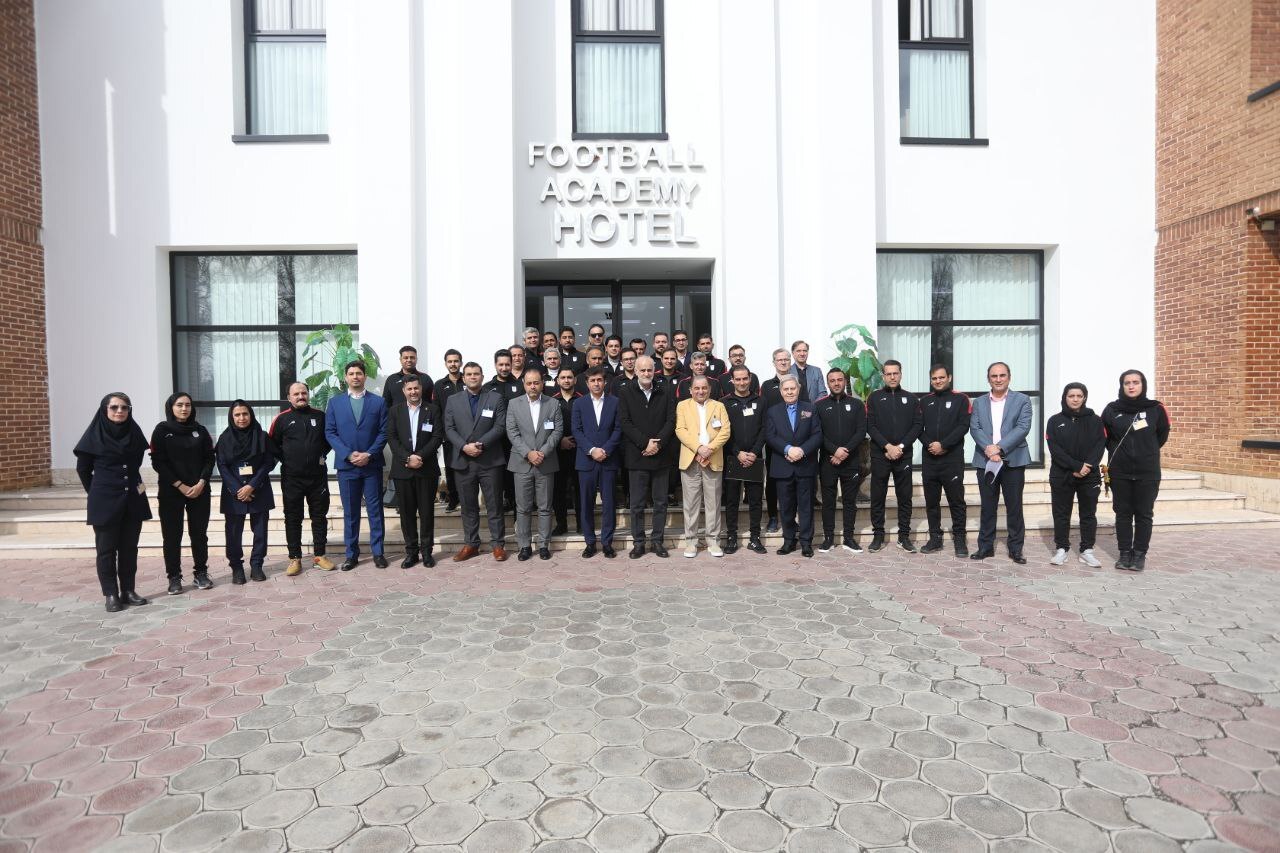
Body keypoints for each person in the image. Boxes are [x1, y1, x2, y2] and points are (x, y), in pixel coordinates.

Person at [75, 393, 153, 612]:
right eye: (114, 407)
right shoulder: (93, 436)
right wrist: (97, 492)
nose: (120, 411)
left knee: (129, 548)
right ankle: (110, 594)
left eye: (125, 407)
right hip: (105, 501)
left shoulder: (134, 432)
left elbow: (135, 465)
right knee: (106, 551)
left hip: (133, 500)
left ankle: (128, 590)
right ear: (104, 410)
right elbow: (83, 469)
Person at [1102, 370, 1171, 572]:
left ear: (1143, 384)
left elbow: (1161, 436)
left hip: (1147, 472)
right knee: (1123, 513)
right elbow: (1105, 437)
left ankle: (1139, 554)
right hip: (1120, 471)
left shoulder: (1156, 409)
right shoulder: (1111, 410)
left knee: (1144, 514)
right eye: (1127, 383)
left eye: (1135, 382)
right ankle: (1124, 553)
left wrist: (1144, 452)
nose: (1131, 386)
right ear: (1121, 386)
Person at [325, 360, 389, 570]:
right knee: (351, 512)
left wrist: (369, 454)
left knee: (375, 511)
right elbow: (330, 432)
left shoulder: (378, 402)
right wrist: (348, 454)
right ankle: (351, 555)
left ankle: (378, 553)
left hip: (371, 465)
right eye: (351, 373)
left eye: (359, 373)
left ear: (365, 376)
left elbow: (384, 432)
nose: (355, 377)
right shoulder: (335, 403)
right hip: (347, 466)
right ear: (345, 377)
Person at [969, 362, 1034, 564]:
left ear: (1009, 377)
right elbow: (975, 428)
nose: (998, 379)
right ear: (988, 379)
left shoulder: (1022, 400)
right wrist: (989, 448)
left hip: (1013, 460)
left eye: (1002, 375)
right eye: (994, 376)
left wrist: (999, 448)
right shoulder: (979, 402)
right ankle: (985, 547)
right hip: (986, 460)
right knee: (988, 506)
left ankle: (1016, 549)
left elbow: (1023, 427)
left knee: (1014, 507)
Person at [150, 392, 215, 594]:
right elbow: (158, 462)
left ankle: (201, 573)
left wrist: (202, 482)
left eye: (187, 405)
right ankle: (174, 577)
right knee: (172, 536)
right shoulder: (161, 430)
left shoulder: (200, 430)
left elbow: (209, 458)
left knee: (199, 534)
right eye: (179, 405)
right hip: (171, 491)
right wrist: (180, 485)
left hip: (199, 490)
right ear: (171, 407)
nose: (184, 408)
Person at [268, 382, 335, 576]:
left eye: (304, 393)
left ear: (308, 395)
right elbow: (273, 444)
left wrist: (319, 455)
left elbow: (329, 440)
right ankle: (294, 558)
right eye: (296, 394)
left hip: (317, 477)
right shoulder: (281, 419)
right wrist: (288, 460)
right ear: (289, 397)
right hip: (292, 478)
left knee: (319, 517)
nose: (300, 396)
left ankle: (319, 556)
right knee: (292, 518)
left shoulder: (320, 416)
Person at [444, 361, 509, 562]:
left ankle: (498, 545)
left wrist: (480, 444)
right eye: (469, 374)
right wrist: (464, 446)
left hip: (490, 459)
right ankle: (471, 544)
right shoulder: (453, 400)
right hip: (463, 461)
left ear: (482, 376)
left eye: (476, 374)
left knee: (494, 505)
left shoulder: (495, 398)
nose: (473, 377)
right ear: (463, 378)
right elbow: (449, 428)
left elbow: (500, 426)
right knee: (468, 506)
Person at [618, 356, 676, 558]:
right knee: (637, 504)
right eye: (642, 370)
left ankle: (657, 541)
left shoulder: (665, 391)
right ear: (635, 371)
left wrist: (657, 443)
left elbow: (671, 420)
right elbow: (625, 422)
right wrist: (645, 443)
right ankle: (639, 543)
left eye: (649, 370)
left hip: (661, 456)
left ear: (654, 371)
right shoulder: (625, 391)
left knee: (660, 502)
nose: (646, 373)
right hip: (638, 455)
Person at [1046, 382, 1106, 568]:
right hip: (1062, 474)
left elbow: (1100, 445)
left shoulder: (1095, 420)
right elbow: (1055, 449)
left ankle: (1087, 550)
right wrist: (1076, 466)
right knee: (1061, 514)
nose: (1075, 399)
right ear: (1065, 397)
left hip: (1089, 475)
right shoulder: (1054, 421)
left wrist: (1086, 466)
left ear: (1084, 397)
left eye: (1079, 396)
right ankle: (1061, 549)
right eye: (1071, 396)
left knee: (1088, 514)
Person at [216, 401, 276, 584]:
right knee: (233, 533)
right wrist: (238, 489)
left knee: (260, 532)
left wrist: (252, 485)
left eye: (245, 414)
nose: (242, 418)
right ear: (231, 417)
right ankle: (236, 567)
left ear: (251, 415)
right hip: (233, 492)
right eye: (237, 415)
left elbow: (269, 462)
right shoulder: (224, 438)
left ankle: (257, 565)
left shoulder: (262, 436)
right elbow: (222, 465)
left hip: (259, 489)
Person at [387, 376, 443, 568]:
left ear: (421, 389)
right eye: (409, 389)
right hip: (403, 471)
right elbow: (392, 438)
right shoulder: (394, 411)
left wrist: (419, 456)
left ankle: (427, 552)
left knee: (427, 513)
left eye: (416, 388)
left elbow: (437, 436)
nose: (413, 392)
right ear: (404, 391)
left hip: (426, 469)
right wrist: (407, 458)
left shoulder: (433, 410)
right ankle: (411, 553)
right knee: (406, 514)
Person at [507, 370, 564, 561]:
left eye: (536, 383)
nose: (533, 386)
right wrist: (528, 453)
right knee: (523, 508)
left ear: (542, 383)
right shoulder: (514, 404)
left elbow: (557, 431)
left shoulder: (553, 403)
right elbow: (512, 431)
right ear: (524, 384)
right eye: (529, 383)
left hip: (545, 462)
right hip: (522, 462)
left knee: (545, 507)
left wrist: (543, 452)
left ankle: (543, 545)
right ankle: (524, 545)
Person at [866, 360, 922, 552]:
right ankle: (878, 536)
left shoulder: (911, 399)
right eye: (888, 374)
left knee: (904, 497)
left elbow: (917, 425)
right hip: (880, 454)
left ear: (900, 374)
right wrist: (888, 446)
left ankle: (904, 537)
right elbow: (870, 426)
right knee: (878, 496)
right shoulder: (874, 398)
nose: (892, 377)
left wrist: (900, 447)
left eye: (895, 373)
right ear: (883, 376)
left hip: (903, 455)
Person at [764, 376, 822, 557]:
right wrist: (788, 449)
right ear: (781, 392)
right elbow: (770, 436)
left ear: (798, 389)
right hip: (783, 466)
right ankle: (789, 541)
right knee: (786, 507)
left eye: (792, 388)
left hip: (805, 465)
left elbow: (817, 435)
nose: (789, 392)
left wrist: (802, 450)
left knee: (806, 507)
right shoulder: (773, 411)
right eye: (786, 389)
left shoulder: (810, 408)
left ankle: (806, 542)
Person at [919, 365, 971, 557]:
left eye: (941, 377)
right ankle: (935, 538)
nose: (938, 381)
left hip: (952, 459)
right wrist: (931, 445)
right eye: (934, 378)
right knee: (932, 502)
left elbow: (963, 426)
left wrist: (944, 445)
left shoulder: (961, 399)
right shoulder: (925, 401)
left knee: (956, 501)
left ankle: (960, 539)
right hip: (930, 459)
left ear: (949, 377)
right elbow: (918, 427)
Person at [675, 376, 731, 557]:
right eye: (697, 388)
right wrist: (698, 448)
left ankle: (713, 542)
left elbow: (725, 431)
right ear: (690, 390)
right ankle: (691, 542)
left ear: (709, 389)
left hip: (712, 460)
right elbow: (680, 430)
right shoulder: (682, 406)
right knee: (690, 504)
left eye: (704, 388)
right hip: (691, 460)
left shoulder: (719, 406)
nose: (701, 391)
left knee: (713, 503)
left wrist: (710, 449)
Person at [572, 366, 622, 558]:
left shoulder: (615, 402)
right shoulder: (579, 403)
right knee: (586, 503)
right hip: (586, 460)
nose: (596, 383)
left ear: (605, 382)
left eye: (599, 380)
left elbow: (618, 429)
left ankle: (607, 543)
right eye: (592, 381)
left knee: (609, 503)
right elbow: (576, 430)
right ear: (587, 383)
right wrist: (592, 450)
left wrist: (606, 450)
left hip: (609, 460)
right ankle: (590, 543)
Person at [815, 368, 867, 553]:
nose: (836, 383)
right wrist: (834, 451)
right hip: (828, 461)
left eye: (839, 380)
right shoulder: (819, 406)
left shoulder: (857, 404)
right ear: (827, 383)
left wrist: (845, 451)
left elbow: (861, 431)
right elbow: (817, 433)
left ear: (845, 381)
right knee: (828, 502)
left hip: (850, 461)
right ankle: (828, 538)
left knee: (849, 502)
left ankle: (849, 538)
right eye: (832, 380)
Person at [722, 365, 767, 554]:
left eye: (745, 378)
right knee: (732, 500)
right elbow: (723, 432)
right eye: (738, 379)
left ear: (750, 379)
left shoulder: (761, 401)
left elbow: (765, 428)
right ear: (732, 380)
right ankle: (731, 537)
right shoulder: (724, 402)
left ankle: (755, 538)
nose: (741, 382)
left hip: (755, 458)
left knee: (755, 500)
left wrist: (754, 452)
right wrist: (737, 452)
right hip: (733, 458)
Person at [759, 348, 793, 533]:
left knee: (793, 481)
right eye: (780, 360)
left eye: (786, 359)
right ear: (774, 363)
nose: (783, 362)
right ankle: (773, 517)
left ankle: (791, 518)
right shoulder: (766, 385)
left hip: (794, 442)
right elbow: (763, 413)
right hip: (774, 442)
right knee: (772, 480)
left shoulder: (797, 383)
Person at [434, 349, 465, 512]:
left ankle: (467, 499)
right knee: (451, 468)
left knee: (468, 468)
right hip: (449, 435)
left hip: (468, 435)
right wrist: (441, 434)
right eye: (450, 361)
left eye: (456, 361)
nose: (453, 364)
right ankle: (453, 498)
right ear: (445, 363)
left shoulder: (468, 380)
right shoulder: (439, 385)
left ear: (461, 362)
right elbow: (437, 411)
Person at [551, 368, 580, 535]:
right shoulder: (551, 401)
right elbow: (547, 426)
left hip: (579, 451)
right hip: (558, 452)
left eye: (570, 377)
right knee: (558, 490)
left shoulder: (583, 399)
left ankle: (581, 523)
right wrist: (560, 440)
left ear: (575, 380)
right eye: (563, 377)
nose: (566, 380)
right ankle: (561, 524)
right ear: (558, 381)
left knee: (580, 490)